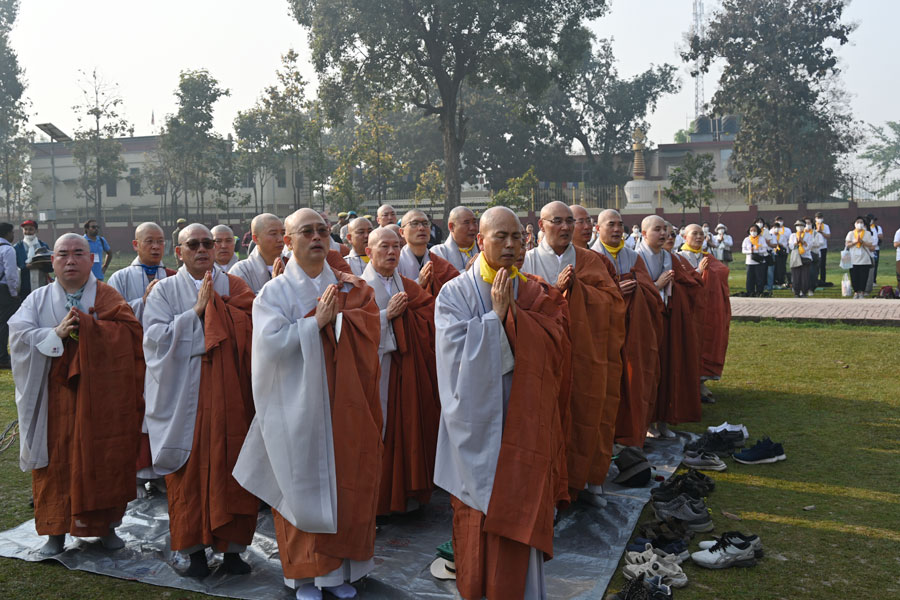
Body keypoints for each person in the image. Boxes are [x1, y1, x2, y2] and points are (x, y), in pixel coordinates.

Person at [233, 208, 382, 600]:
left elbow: (370, 330)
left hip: (343, 403)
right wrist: (315, 322)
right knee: (299, 481)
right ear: (288, 241)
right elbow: (267, 347)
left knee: (345, 483)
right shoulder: (274, 292)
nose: (317, 237)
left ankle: (340, 573)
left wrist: (343, 320)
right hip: (295, 405)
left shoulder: (349, 286)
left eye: (322, 230)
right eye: (306, 232)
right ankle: (305, 577)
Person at [434, 206, 571, 600]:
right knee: (478, 516)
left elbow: (556, 343)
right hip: (475, 426)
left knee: (523, 504)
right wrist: (496, 319)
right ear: (480, 241)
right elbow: (453, 360)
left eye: (517, 237)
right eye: (501, 237)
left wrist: (517, 319)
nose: (511, 245)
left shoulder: (533, 289)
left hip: (524, 421)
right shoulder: (454, 293)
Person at [9, 233, 144, 556]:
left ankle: (105, 528)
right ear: (52, 261)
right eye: (63, 254)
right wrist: (54, 333)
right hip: (53, 398)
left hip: (101, 399)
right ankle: (54, 533)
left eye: (78, 253)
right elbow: (18, 337)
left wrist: (90, 329)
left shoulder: (108, 296)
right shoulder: (38, 299)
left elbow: (130, 335)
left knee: (103, 459)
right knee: (55, 463)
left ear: (91, 259)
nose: (70, 260)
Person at [143, 224, 257, 578]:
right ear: (179, 252)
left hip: (230, 396)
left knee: (233, 467)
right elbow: (155, 340)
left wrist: (222, 312)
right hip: (183, 398)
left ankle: (234, 551)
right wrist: (197, 313)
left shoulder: (234, 286)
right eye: (193, 244)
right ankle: (192, 551)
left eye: (208, 243)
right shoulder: (163, 291)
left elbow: (254, 328)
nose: (203, 249)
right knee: (188, 475)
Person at [523, 201, 625, 508]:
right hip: (541, 355)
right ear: (541, 225)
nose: (566, 227)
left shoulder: (589, 260)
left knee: (589, 412)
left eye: (570, 221)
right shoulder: (525, 260)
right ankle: (547, 491)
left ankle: (589, 480)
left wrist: (578, 288)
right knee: (545, 421)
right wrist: (556, 290)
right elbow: (517, 303)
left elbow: (613, 302)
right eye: (557, 221)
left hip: (584, 353)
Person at [360, 227, 440, 515]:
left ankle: (406, 497)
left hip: (406, 373)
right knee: (379, 435)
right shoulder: (357, 287)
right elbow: (350, 330)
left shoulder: (406, 283)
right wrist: (386, 317)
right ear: (368, 252)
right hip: (376, 373)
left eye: (396, 246)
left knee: (408, 430)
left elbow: (429, 313)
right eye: (384, 247)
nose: (392, 252)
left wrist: (410, 319)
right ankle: (380, 503)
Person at [592, 210, 664, 448]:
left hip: (632, 331)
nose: (616, 229)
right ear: (598, 228)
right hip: (602, 332)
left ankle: (629, 431)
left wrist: (639, 288)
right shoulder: (589, 257)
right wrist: (613, 292)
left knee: (632, 380)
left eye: (620, 225)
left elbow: (651, 293)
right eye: (610, 224)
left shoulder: (633, 257)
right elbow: (586, 295)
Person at [678, 224, 731, 402]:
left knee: (706, 343)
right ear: (685, 237)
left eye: (702, 234)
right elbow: (681, 280)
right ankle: (688, 386)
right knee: (688, 346)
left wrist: (710, 272)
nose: (699, 237)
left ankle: (701, 383)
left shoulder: (708, 256)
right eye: (695, 234)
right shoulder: (679, 257)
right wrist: (699, 271)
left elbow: (722, 271)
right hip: (688, 309)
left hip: (707, 310)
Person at [397, 209, 459, 296]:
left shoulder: (440, 264)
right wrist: (418, 283)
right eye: (414, 223)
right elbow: (392, 297)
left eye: (426, 224)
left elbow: (457, 290)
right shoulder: (395, 263)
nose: (422, 228)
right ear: (402, 232)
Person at [230, 213, 286, 294]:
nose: (280, 239)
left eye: (283, 233)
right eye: (273, 234)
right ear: (255, 239)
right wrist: (273, 288)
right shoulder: (241, 271)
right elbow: (242, 303)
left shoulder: (292, 264)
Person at [430, 206, 479, 272]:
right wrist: (467, 272)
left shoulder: (484, 250)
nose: (472, 228)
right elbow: (441, 280)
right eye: (466, 223)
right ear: (451, 227)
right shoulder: (438, 252)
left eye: (474, 222)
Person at [14, 219, 51, 297]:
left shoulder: (43, 246)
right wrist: (26, 267)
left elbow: (51, 267)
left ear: (37, 230)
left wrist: (42, 266)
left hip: (41, 286)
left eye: (31, 229)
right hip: (24, 287)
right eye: (25, 229)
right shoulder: (17, 247)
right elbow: (14, 268)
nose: (28, 232)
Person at [0, 223, 20, 369]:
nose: (13, 235)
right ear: (7, 233)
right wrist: (14, 294)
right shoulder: (7, 250)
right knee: (4, 325)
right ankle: (3, 358)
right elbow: (11, 275)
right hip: (4, 290)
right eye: (12, 232)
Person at [844, 216, 876, 299]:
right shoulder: (851, 233)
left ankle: (862, 292)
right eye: (858, 222)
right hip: (853, 258)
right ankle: (856, 292)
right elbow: (847, 244)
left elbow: (870, 245)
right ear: (855, 224)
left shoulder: (867, 233)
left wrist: (862, 242)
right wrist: (855, 242)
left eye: (861, 222)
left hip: (864, 258)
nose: (860, 224)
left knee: (863, 276)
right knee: (854, 276)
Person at [741, 224, 769, 297]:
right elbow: (743, 250)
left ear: (758, 231)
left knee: (759, 277)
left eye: (755, 230)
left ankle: (759, 292)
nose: (753, 232)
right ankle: (750, 292)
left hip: (759, 261)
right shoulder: (746, 239)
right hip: (750, 261)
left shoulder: (761, 238)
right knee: (750, 278)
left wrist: (757, 250)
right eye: (751, 230)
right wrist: (750, 251)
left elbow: (765, 249)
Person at [788, 219, 812, 297]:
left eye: (801, 226)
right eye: (798, 226)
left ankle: (804, 291)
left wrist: (803, 242)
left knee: (805, 276)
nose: (800, 227)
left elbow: (809, 246)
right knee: (796, 276)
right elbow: (791, 246)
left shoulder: (808, 235)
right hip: (796, 257)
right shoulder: (793, 235)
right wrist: (796, 243)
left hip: (805, 257)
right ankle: (796, 292)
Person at [770, 217, 790, 287]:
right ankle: (775, 280)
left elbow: (786, 243)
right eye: (775, 227)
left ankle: (782, 281)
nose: (777, 229)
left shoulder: (782, 235)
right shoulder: (771, 233)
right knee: (775, 268)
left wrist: (781, 245)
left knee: (782, 267)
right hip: (774, 252)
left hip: (782, 253)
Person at [813, 212, 831, 285]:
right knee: (815, 264)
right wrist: (817, 231)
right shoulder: (813, 226)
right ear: (815, 219)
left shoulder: (826, 226)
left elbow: (828, 236)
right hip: (815, 247)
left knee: (822, 265)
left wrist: (821, 232)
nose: (819, 219)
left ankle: (823, 280)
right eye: (818, 218)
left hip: (823, 247)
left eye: (820, 218)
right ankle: (815, 279)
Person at [867, 214, 883, 285]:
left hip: (875, 249)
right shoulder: (865, 228)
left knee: (875, 265)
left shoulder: (877, 228)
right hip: (867, 249)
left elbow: (881, 236)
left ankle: (873, 280)